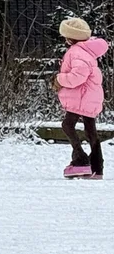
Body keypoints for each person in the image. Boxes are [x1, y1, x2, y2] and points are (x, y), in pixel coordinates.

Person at [52, 17, 106, 180]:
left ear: (70, 37)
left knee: (67, 125)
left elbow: (78, 76)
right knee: (90, 130)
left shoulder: (76, 52)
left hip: (80, 97)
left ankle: (80, 160)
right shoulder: (87, 52)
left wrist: (59, 79)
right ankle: (97, 166)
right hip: (90, 96)